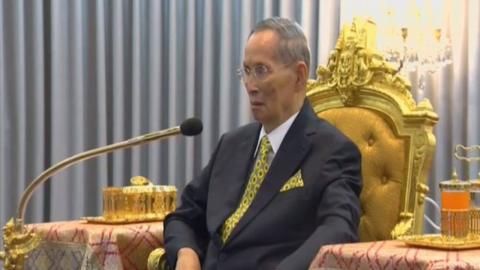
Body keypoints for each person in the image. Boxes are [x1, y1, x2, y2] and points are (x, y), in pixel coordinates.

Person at [163, 17, 362, 270]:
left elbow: (338, 229)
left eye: (261, 70)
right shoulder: (232, 144)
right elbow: (184, 216)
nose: (250, 85)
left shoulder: (332, 150)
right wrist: (186, 253)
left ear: (300, 76)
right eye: (246, 71)